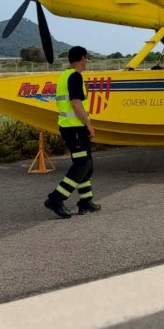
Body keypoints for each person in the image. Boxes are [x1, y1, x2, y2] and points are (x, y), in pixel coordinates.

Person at [43, 46, 102, 219]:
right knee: (82, 164)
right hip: (74, 128)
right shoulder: (75, 76)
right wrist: (89, 126)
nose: (86, 63)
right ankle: (55, 199)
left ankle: (85, 202)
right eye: (86, 59)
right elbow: (76, 104)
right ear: (82, 58)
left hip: (71, 127)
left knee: (87, 165)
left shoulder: (65, 75)